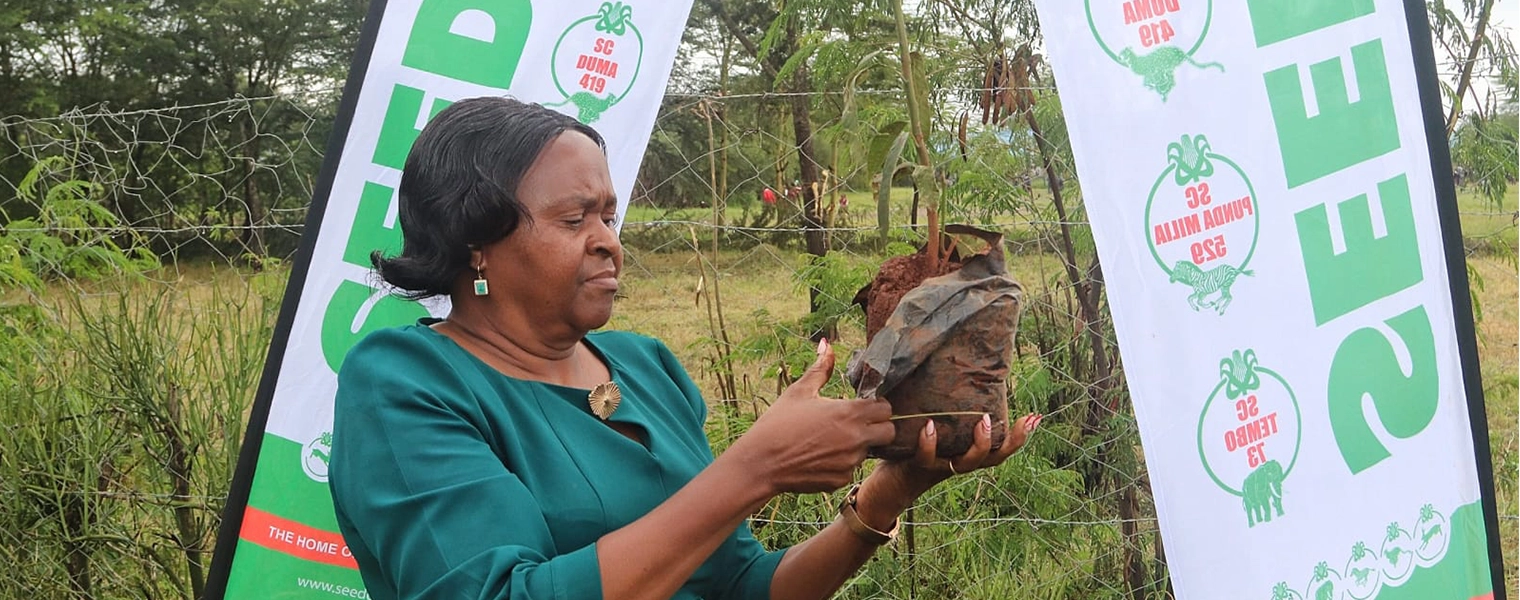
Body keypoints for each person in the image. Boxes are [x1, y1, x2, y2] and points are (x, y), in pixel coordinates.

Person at [328, 96, 1043, 600]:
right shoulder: (406, 385)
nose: (609, 239)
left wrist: (886, 496)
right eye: (574, 218)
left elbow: (741, 587)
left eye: (608, 214)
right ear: (475, 246)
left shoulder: (646, 369)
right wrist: (752, 471)